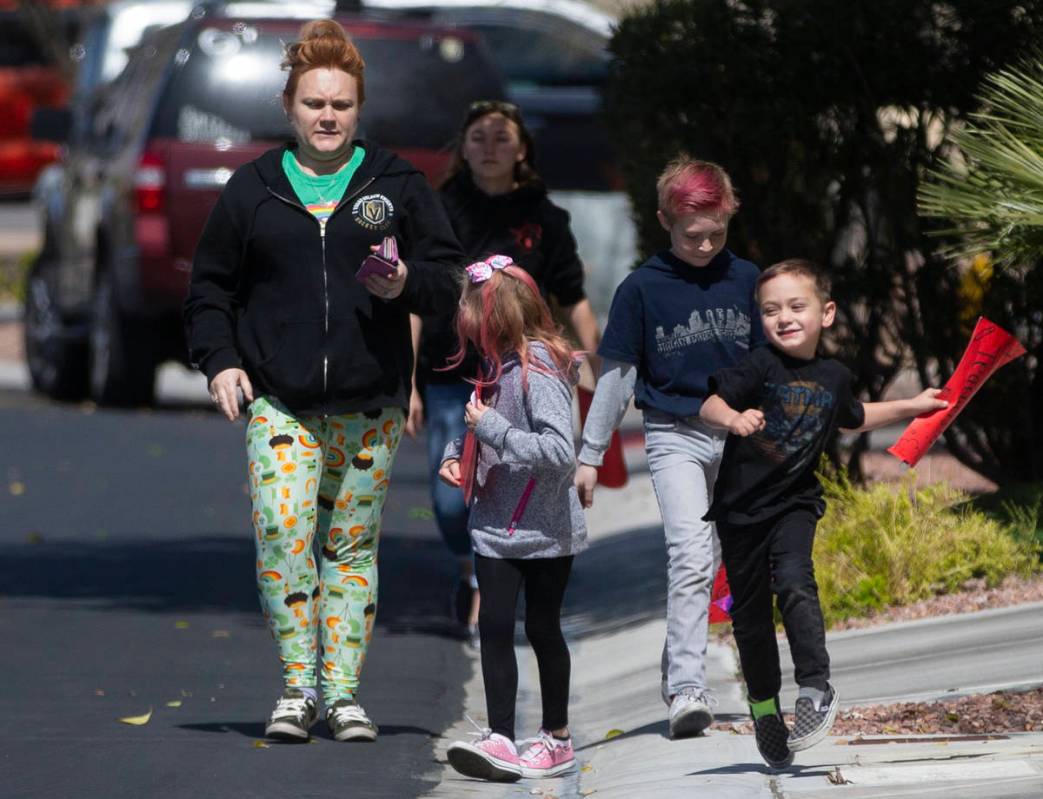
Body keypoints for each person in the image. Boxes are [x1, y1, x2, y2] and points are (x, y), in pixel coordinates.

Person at [184, 20, 464, 744]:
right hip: (281, 402)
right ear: (289, 108)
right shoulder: (253, 190)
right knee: (282, 532)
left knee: (348, 550)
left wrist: (405, 282)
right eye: (314, 104)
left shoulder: (395, 183)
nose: (328, 117)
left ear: (359, 106)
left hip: (367, 404)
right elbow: (209, 287)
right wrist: (221, 361)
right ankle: (295, 688)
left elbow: (447, 280)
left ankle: (342, 696)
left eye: (340, 104)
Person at [699, 258, 948, 768]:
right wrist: (733, 416)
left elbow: (854, 418)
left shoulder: (834, 376)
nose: (784, 318)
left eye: (796, 306)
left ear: (826, 313)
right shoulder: (758, 365)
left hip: (794, 502)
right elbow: (710, 405)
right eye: (770, 310)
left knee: (794, 581)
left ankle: (815, 689)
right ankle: (765, 707)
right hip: (741, 511)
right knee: (748, 618)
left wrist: (913, 406)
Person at [575, 156, 764, 738]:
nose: (705, 245)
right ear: (664, 220)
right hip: (674, 434)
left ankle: (680, 668)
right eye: (691, 235)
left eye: (717, 232)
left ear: (730, 213)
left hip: (740, 439)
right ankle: (687, 688)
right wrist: (589, 453)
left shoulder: (749, 280)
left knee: (729, 564)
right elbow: (617, 375)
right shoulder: (641, 289)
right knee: (689, 554)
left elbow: (772, 363)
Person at [407, 100, 601, 644]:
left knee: (518, 483)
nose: (489, 148)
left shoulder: (546, 217)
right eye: (478, 138)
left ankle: (503, 584)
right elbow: (417, 300)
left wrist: (599, 370)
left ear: (522, 151)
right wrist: (408, 385)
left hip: (526, 375)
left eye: (501, 138)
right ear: (462, 148)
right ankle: (471, 570)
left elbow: (574, 298)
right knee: (452, 499)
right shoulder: (438, 210)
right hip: (452, 376)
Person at [438, 255, 586, 782]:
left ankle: (556, 738)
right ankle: (501, 737)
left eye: (466, 303)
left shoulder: (541, 366)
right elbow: (485, 425)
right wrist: (458, 450)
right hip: (496, 526)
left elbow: (558, 451)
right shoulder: (497, 364)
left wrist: (493, 429)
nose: (459, 312)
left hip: (546, 529)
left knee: (543, 629)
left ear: (493, 312)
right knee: (494, 627)